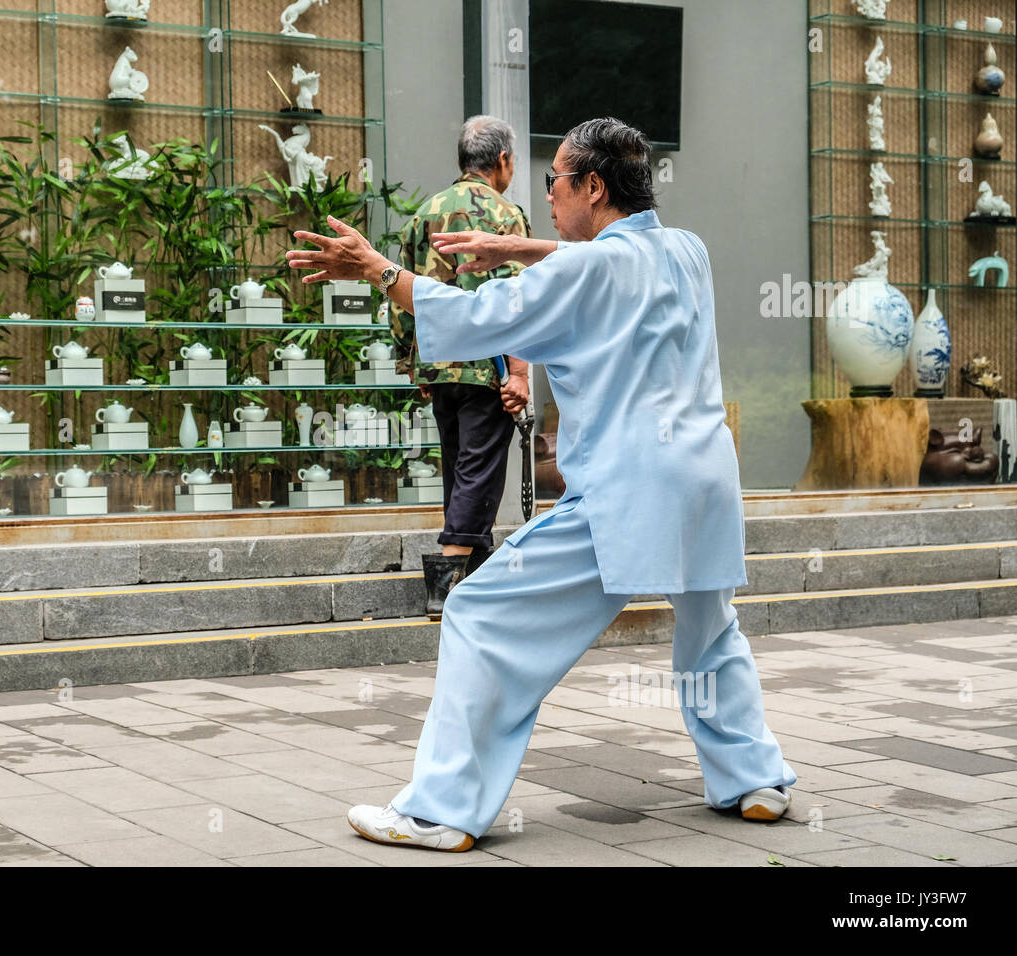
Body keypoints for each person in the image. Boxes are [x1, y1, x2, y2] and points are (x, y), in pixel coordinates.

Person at [286, 116, 796, 852]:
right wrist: (516, 246)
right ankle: (755, 780)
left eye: (555, 181)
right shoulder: (689, 252)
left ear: (591, 186)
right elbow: (617, 260)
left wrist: (377, 269)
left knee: (478, 618)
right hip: (708, 480)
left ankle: (440, 810)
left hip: (628, 489)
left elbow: (472, 315)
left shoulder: (575, 272)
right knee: (712, 634)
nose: (545, 196)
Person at [389, 115, 532, 618]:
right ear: (502, 161)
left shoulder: (423, 213)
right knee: (479, 465)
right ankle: (449, 577)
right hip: (484, 365)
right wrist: (519, 373)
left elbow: (398, 292)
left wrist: (414, 364)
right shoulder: (505, 214)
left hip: (438, 363)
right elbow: (518, 300)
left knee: (459, 464)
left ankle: (473, 573)